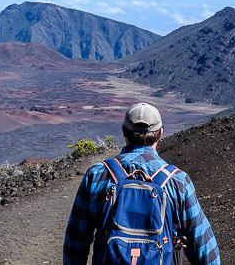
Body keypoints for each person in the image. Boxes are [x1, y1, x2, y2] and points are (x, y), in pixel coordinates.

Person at [63, 103, 220, 264]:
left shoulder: (97, 175)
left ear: (124, 132)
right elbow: (203, 246)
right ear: (160, 134)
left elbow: (76, 242)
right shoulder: (178, 181)